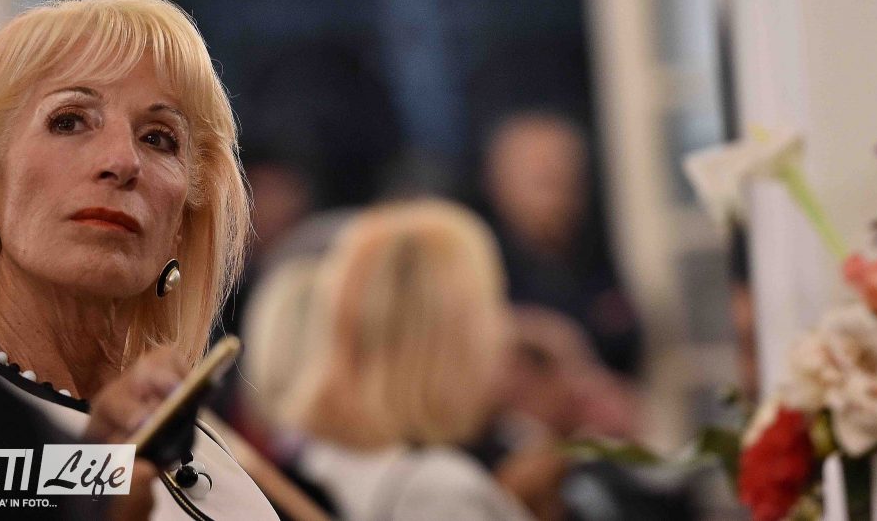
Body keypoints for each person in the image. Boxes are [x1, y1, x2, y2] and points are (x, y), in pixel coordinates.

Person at [0, 0, 278, 519]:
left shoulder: (208, 446)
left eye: (158, 138)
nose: (123, 161)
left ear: (181, 224)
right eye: (69, 121)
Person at [256, 199, 537, 521]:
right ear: (453, 341)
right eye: (493, 303)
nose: (504, 328)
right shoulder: (442, 494)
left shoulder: (313, 462)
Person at [481, 111, 644, 377]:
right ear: (499, 183)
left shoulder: (597, 254)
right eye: (542, 182)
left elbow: (627, 341)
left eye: (567, 179)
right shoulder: (480, 265)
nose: (558, 198)